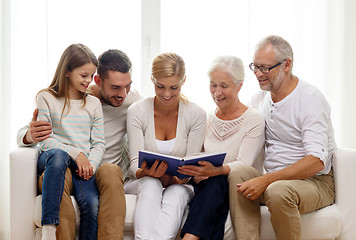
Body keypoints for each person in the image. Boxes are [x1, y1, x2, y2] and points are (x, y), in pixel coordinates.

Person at [17, 49, 143, 239]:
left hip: (100, 170)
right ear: (98, 81)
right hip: (65, 166)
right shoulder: (68, 97)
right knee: (61, 172)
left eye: (128, 86)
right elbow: (27, 134)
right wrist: (29, 136)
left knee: (110, 171)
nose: (123, 94)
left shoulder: (132, 101)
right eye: (116, 87)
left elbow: (157, 112)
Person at [229, 35, 336, 240]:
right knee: (238, 174)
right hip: (276, 180)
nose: (258, 74)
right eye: (255, 67)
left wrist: (266, 180)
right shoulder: (259, 99)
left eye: (265, 68)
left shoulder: (310, 99)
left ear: (287, 65)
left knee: (278, 191)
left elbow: (316, 161)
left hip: (316, 182)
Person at [177, 56, 265, 240]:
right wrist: (195, 171)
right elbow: (196, 154)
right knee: (212, 184)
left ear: (239, 86)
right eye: (213, 85)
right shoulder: (206, 118)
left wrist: (215, 171)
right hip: (205, 185)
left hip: (235, 186)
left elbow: (243, 164)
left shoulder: (253, 119)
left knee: (216, 182)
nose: (217, 92)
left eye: (224, 86)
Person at [124, 52, 207, 240]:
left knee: (177, 193)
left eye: (174, 87)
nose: (167, 94)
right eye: (160, 86)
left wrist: (180, 178)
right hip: (141, 181)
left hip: (179, 184)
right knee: (151, 184)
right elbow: (134, 164)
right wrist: (149, 173)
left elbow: (191, 163)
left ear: (184, 80)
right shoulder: (137, 111)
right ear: (152, 79)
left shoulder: (196, 114)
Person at [34, 43, 105, 240]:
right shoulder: (46, 97)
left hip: (82, 166)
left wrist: (90, 165)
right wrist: (77, 153)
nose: (88, 81)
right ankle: (49, 229)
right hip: (53, 160)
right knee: (58, 155)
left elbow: (99, 143)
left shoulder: (93, 103)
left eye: (91, 76)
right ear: (67, 71)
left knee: (90, 206)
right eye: (84, 75)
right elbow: (45, 141)